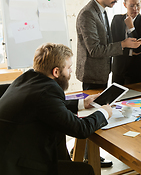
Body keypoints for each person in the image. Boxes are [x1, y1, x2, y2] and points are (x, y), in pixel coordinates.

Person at [0, 43, 112, 175]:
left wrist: (82, 103)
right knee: (85, 171)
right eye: (69, 68)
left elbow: (47, 106)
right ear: (56, 72)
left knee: (58, 133)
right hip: (16, 165)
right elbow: (81, 129)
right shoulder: (47, 92)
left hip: (11, 152)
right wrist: (104, 112)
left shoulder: (27, 79)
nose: (71, 71)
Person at [76, 0, 141, 91]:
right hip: (92, 77)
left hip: (102, 74)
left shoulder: (103, 11)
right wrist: (123, 44)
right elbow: (94, 50)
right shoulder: (88, 14)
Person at [111, 0, 141, 85]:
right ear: (125, 5)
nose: (135, 9)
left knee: (137, 99)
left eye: (138, 5)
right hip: (119, 69)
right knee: (117, 98)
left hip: (137, 70)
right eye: (131, 5)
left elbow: (139, 49)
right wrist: (130, 51)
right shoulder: (116, 20)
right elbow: (114, 46)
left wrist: (131, 28)